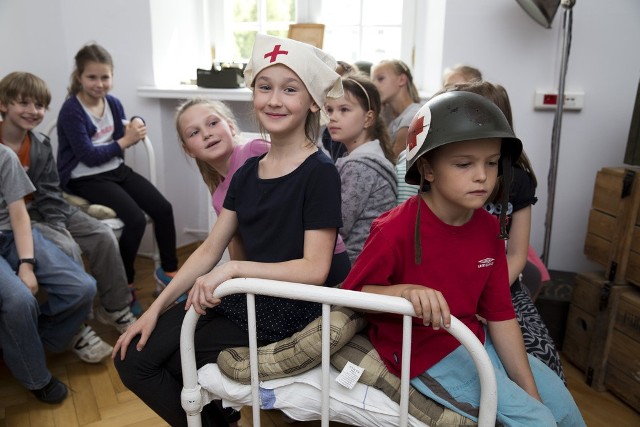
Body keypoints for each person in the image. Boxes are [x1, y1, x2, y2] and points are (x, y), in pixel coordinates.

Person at [113, 34, 345, 427]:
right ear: (252, 95)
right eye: (264, 87)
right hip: (248, 296)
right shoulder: (247, 173)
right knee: (131, 357)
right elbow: (207, 251)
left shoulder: (319, 172)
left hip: (291, 305)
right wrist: (154, 310)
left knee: (162, 360)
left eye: (290, 89)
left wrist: (234, 270)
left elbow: (314, 269)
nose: (274, 100)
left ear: (312, 102)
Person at [341, 91, 585, 426]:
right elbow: (354, 296)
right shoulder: (393, 229)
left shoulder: (489, 227)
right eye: (464, 164)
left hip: (474, 341)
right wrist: (405, 292)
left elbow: (500, 314)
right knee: (537, 421)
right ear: (427, 169)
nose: (482, 176)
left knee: (563, 409)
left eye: (491, 162)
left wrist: (532, 393)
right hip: (425, 355)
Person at [442, 80, 565, 382]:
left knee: (543, 359)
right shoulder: (445, 174)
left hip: (501, 283)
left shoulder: (518, 181)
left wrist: (489, 296)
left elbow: (518, 254)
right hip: (450, 283)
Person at [0, 71, 138, 335]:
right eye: (24, 103)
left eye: (39, 105)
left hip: (49, 208)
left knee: (103, 234)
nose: (33, 111)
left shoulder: (39, 144)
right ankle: (78, 327)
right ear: (4, 104)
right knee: (67, 247)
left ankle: (115, 307)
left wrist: (59, 222)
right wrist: (58, 231)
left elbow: (50, 193)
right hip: (18, 219)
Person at [175, 98, 350, 286]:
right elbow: (239, 252)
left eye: (213, 123)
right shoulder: (219, 197)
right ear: (188, 150)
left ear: (231, 126)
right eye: (194, 132)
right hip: (274, 276)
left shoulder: (256, 151)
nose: (207, 134)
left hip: (318, 267)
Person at [56, 43, 179, 292]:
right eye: (92, 77)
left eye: (105, 77)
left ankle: (170, 271)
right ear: (79, 77)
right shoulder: (71, 110)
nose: (99, 83)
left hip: (114, 170)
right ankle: (126, 283)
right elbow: (88, 156)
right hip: (85, 177)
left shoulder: (112, 103)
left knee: (163, 209)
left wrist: (137, 121)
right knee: (134, 219)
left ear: (112, 76)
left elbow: (130, 123)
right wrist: (125, 140)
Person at [0, 144, 99, 403]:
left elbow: (18, 213)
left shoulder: (4, 156)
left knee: (82, 288)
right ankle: (36, 377)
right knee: (19, 300)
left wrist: (26, 263)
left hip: (12, 233)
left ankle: (26, 341)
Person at [324, 74, 397, 264]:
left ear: (368, 118)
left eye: (344, 110)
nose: (332, 117)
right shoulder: (364, 158)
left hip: (353, 267)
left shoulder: (360, 167)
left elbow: (337, 226)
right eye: (329, 110)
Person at [370, 59, 423, 157]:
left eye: (380, 79)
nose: (374, 85)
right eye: (372, 81)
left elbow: (394, 161)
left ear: (402, 80)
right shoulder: (388, 115)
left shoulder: (413, 115)